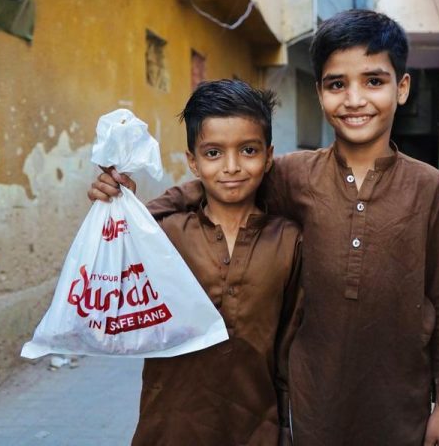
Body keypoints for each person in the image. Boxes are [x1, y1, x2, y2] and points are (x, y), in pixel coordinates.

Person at [131, 9, 439, 445]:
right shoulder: (294, 174)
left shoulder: (427, 186)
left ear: (401, 88)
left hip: (399, 400)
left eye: (373, 81)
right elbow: (229, 184)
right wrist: (122, 203)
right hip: (313, 401)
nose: (354, 99)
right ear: (319, 93)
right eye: (337, 84)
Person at [88, 79, 302, 446]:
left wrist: (284, 427)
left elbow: (288, 350)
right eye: (213, 153)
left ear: (269, 157)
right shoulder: (164, 235)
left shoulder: (288, 239)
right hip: (170, 426)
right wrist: (116, 206)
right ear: (193, 161)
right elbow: (109, 281)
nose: (232, 167)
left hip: (256, 428)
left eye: (248, 150)